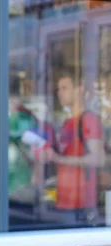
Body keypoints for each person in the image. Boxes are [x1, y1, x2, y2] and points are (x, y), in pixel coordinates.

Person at [43, 69, 106, 225]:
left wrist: (60, 159)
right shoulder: (67, 123)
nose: (59, 93)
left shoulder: (88, 119)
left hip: (81, 204)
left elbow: (98, 159)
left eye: (65, 88)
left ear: (79, 90)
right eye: (59, 89)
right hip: (64, 201)